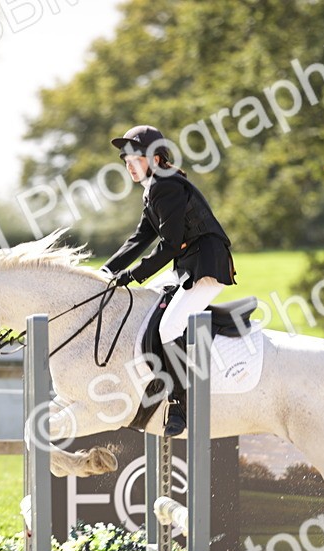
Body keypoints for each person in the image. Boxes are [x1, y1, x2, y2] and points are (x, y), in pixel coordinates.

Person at [102, 124, 236, 436]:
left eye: (135, 159)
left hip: (207, 264)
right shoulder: (153, 189)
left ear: (156, 158)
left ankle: (179, 402)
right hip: (188, 265)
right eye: (126, 161)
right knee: (148, 303)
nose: (129, 166)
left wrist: (134, 274)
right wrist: (105, 273)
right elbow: (140, 239)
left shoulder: (166, 186)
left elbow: (171, 244)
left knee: (170, 326)